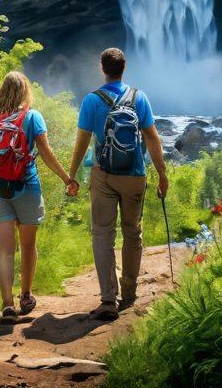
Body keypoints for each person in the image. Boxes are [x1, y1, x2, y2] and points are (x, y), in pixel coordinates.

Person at [68, 47, 169, 320]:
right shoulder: (140, 98)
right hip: (135, 174)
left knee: (103, 234)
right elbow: (152, 138)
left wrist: (72, 174)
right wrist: (162, 173)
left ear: (103, 69)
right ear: (124, 68)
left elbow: (81, 143)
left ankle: (108, 299)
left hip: (103, 174)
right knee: (132, 232)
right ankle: (130, 292)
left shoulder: (92, 100)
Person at [0, 70, 77, 320]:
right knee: (28, 244)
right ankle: (26, 295)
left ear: (3, 90)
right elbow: (45, 152)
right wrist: (67, 179)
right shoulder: (32, 117)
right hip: (26, 188)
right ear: (25, 91)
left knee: (5, 250)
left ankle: (7, 304)